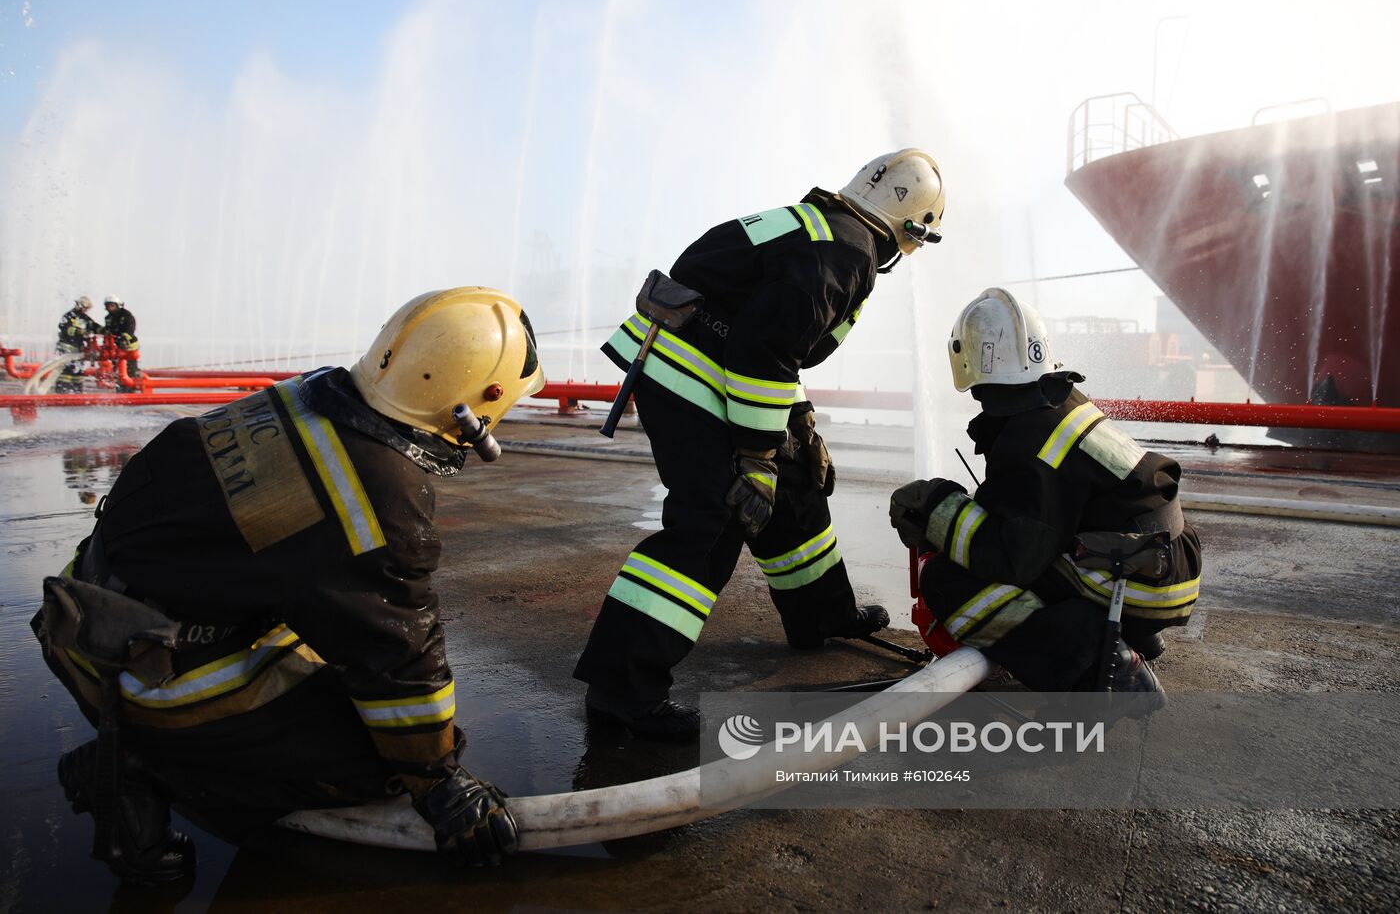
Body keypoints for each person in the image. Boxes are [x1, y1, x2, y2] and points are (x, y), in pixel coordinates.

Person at [32, 287, 544, 883]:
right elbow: (396, 657)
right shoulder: (379, 500)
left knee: (326, 650)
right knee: (382, 753)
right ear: (482, 401)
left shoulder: (304, 398)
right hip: (144, 673)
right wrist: (439, 783)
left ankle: (153, 742)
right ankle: (137, 767)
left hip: (82, 622)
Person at [574, 149, 947, 741]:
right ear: (912, 228)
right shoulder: (846, 253)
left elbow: (766, 334)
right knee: (717, 516)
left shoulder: (816, 226)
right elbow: (762, 350)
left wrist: (798, 425)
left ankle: (820, 614)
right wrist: (755, 456)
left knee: (796, 481)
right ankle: (622, 691)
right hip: (692, 382)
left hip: (695, 367)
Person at [888, 288, 1203, 694]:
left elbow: (1011, 560)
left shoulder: (1028, 437)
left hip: (1142, 579)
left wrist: (935, 507)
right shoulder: (1061, 403)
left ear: (968, 364)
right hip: (1162, 562)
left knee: (948, 580)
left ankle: (1099, 664)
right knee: (1043, 560)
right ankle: (1134, 636)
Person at [55, 295, 100, 393]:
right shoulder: (68, 316)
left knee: (78, 371)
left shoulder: (84, 318)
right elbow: (65, 329)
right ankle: (62, 391)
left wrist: (105, 330)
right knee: (66, 371)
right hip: (66, 348)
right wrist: (80, 332)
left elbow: (94, 326)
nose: (86, 310)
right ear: (79, 306)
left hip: (78, 350)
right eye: (85, 308)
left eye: (87, 309)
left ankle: (76, 392)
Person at [103, 295, 141, 392]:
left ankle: (131, 389)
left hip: (129, 348)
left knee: (130, 369)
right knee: (118, 370)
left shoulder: (126, 315)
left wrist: (123, 338)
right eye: (108, 306)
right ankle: (121, 388)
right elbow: (108, 331)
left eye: (112, 305)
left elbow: (130, 330)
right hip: (117, 348)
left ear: (118, 305)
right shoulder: (108, 318)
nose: (109, 308)